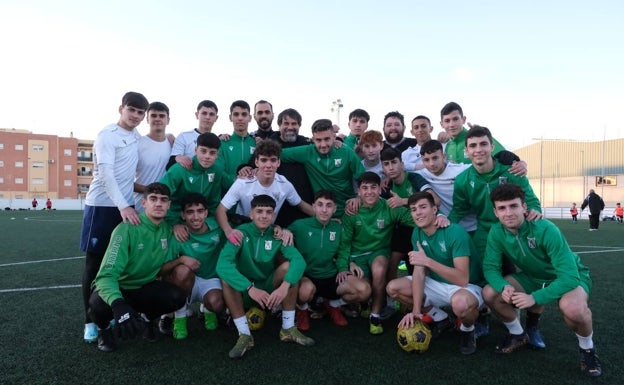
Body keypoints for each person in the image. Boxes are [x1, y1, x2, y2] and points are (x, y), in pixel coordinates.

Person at [482, 183, 601, 377]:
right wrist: (503, 286)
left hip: (569, 277)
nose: (508, 213)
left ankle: (587, 350)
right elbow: (490, 268)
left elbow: (569, 277)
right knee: (489, 293)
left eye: (513, 206)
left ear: (524, 207)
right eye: (502, 208)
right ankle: (518, 334)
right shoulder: (496, 232)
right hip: (533, 277)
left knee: (574, 311)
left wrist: (534, 298)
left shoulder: (546, 229)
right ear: (495, 212)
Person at [80, 91, 149, 344]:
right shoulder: (107, 136)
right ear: (121, 108)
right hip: (103, 206)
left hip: (125, 204)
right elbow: (106, 176)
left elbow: (126, 177)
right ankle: (89, 320)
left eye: (141, 113)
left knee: (119, 265)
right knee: (95, 265)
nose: (136, 116)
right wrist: (123, 206)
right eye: (132, 110)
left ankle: (112, 313)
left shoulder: (135, 136)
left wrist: (145, 190)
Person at [87, 182, 187, 352]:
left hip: (143, 287)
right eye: (153, 199)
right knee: (97, 306)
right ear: (144, 203)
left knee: (176, 297)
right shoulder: (126, 229)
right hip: (119, 288)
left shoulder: (168, 231)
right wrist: (118, 305)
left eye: (163, 200)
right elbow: (105, 276)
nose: (158, 203)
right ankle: (104, 330)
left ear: (169, 205)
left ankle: (147, 320)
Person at [216, 194, 314, 359]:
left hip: (269, 288)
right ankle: (244, 335)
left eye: (268, 212)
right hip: (245, 290)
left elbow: (299, 261)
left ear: (274, 216)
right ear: (251, 214)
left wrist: (284, 287)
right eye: (259, 211)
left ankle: (288, 328)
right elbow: (222, 265)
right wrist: (249, 288)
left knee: (289, 268)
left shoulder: (278, 235)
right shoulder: (239, 233)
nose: (264, 215)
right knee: (227, 277)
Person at [387, 192, 484, 355]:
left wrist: (428, 262)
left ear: (435, 210)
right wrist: (416, 310)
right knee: (393, 288)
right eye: (413, 209)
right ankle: (441, 319)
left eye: (423, 207)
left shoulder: (455, 232)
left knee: (461, 304)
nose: (418, 212)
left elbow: (462, 279)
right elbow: (419, 272)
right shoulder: (416, 233)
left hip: (468, 286)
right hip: (438, 283)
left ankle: (467, 329)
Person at [336, 172, 415, 335]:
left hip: (379, 252)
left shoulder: (389, 207)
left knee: (379, 270)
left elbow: (415, 218)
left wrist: (439, 217)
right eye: (364, 188)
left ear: (380, 189)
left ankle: (375, 315)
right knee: (364, 292)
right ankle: (362, 303)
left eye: (373, 187)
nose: (369, 192)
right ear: (359, 191)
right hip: (357, 257)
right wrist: (344, 266)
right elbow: (344, 244)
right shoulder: (352, 212)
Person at [215, 139, 314, 244]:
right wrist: (229, 231)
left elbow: (301, 205)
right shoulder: (243, 183)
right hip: (243, 231)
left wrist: (326, 218)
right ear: (256, 162)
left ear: (278, 162)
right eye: (264, 160)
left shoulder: (284, 184)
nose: (268, 165)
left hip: (269, 234)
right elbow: (220, 210)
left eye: (273, 160)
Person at [289, 190, 362, 330]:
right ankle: (302, 310)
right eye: (320, 205)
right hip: (308, 276)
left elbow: (343, 251)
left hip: (331, 275)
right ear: (314, 207)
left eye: (329, 205)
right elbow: (281, 235)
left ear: (334, 209)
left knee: (362, 289)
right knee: (304, 292)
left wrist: (343, 268)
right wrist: (283, 230)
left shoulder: (338, 227)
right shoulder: (299, 226)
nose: (324, 209)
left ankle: (333, 305)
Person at [159, 193, 226, 339]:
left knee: (217, 304)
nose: (195, 217)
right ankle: (180, 318)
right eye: (190, 212)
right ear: (182, 215)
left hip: (211, 280)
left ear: (206, 213)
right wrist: (181, 259)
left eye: (200, 211)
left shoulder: (218, 228)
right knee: (181, 270)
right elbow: (162, 271)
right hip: (189, 281)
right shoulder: (177, 235)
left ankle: (207, 310)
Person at [280, 118, 365, 217]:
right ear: (313, 139)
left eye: (327, 139)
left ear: (334, 137)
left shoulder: (347, 152)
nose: (323, 145)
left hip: (349, 211)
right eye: (318, 140)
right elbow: (275, 154)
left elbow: (364, 178)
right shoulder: (308, 152)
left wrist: (359, 197)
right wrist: (257, 167)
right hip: (323, 213)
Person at [160, 132, 230, 225]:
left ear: (217, 154)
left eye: (212, 153)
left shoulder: (217, 170)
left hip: (202, 220)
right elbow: (161, 197)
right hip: (175, 219)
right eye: (203, 151)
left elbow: (214, 202)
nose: (207, 156)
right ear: (196, 150)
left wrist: (209, 223)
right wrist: (175, 223)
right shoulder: (179, 169)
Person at [268, 108, 314, 227]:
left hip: (304, 205)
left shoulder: (306, 143)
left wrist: (338, 141)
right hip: (277, 207)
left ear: (299, 125)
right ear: (279, 125)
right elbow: (255, 164)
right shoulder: (269, 143)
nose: (290, 127)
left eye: (294, 123)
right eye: (286, 123)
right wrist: (245, 167)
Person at [133, 102, 174, 212]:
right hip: (140, 208)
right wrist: (151, 190)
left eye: (162, 116)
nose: (158, 119)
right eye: (153, 116)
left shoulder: (173, 143)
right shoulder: (137, 144)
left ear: (168, 120)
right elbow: (125, 180)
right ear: (147, 119)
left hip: (165, 209)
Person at [439, 102, 505, 164]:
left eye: (455, 119)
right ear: (442, 124)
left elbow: (506, 157)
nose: (451, 124)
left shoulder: (479, 138)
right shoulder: (444, 146)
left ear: (463, 119)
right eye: (447, 121)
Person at [168, 100, 219, 170]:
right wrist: (177, 158)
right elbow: (170, 164)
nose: (207, 117)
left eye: (211, 114)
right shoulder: (184, 137)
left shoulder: (218, 140)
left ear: (216, 118)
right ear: (197, 115)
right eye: (204, 113)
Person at [218, 100, 257, 179]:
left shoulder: (257, 143)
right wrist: (236, 181)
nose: (240, 118)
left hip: (254, 190)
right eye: (236, 114)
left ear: (250, 118)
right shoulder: (222, 143)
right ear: (230, 117)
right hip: (229, 190)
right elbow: (219, 171)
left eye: (244, 114)